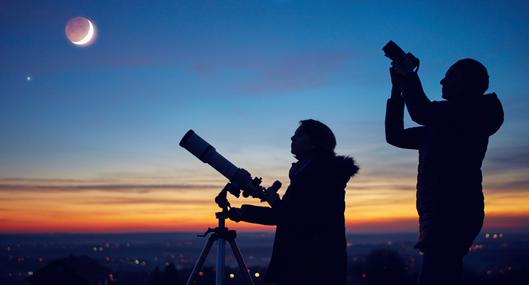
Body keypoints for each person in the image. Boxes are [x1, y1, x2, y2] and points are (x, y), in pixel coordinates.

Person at [385, 58, 504, 285]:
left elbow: (421, 111)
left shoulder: (473, 113)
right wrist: (397, 88)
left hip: (452, 212)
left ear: (466, 82)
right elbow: (395, 136)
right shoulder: (444, 123)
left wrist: (409, 75)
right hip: (445, 213)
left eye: (449, 75)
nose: (442, 80)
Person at [228, 119, 359, 285]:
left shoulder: (322, 177)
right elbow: (292, 214)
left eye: (299, 135)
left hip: (312, 266)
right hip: (304, 262)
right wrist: (247, 211)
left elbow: (296, 218)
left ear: (314, 143)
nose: (292, 138)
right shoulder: (307, 175)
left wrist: (269, 204)